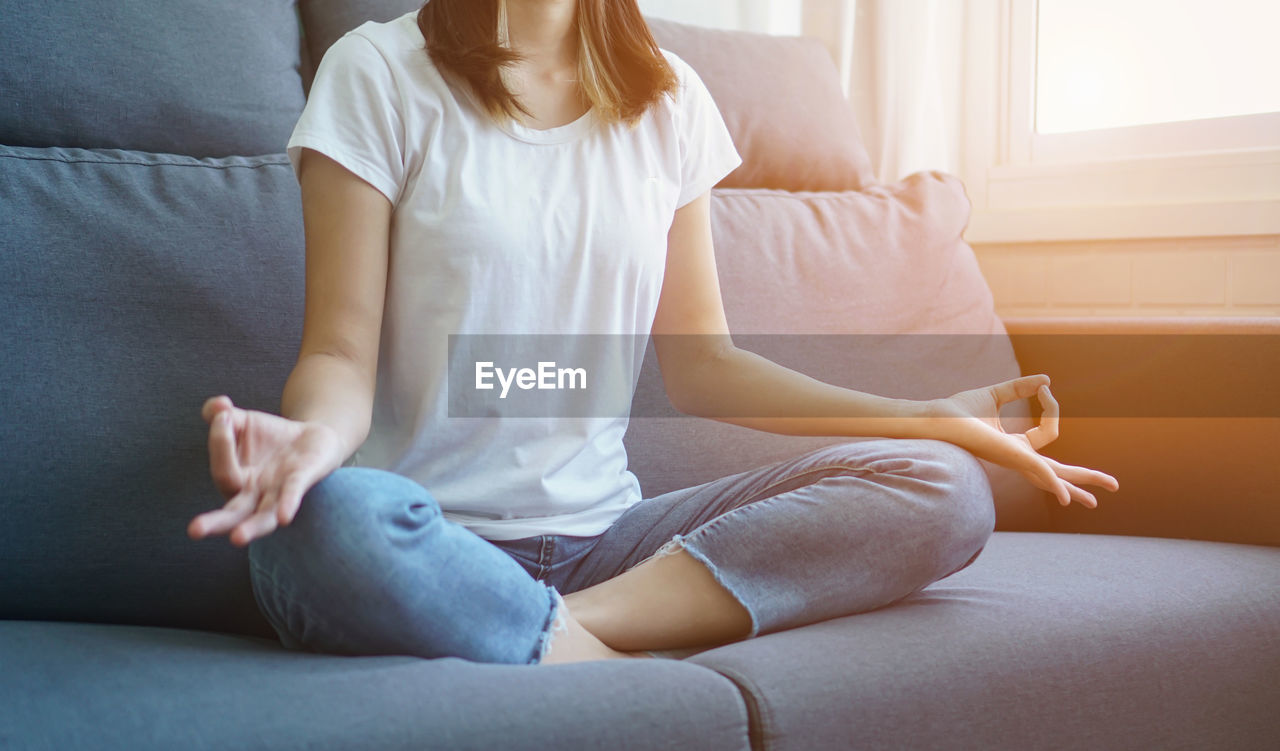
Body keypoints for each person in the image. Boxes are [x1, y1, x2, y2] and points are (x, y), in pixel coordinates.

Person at [187, 0, 1118, 666]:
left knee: (945, 488)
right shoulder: (379, 73)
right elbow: (340, 353)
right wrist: (313, 441)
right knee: (331, 521)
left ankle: (558, 632)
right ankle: (565, 643)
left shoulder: (671, 102)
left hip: (607, 539)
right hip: (423, 532)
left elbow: (705, 366)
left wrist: (931, 414)